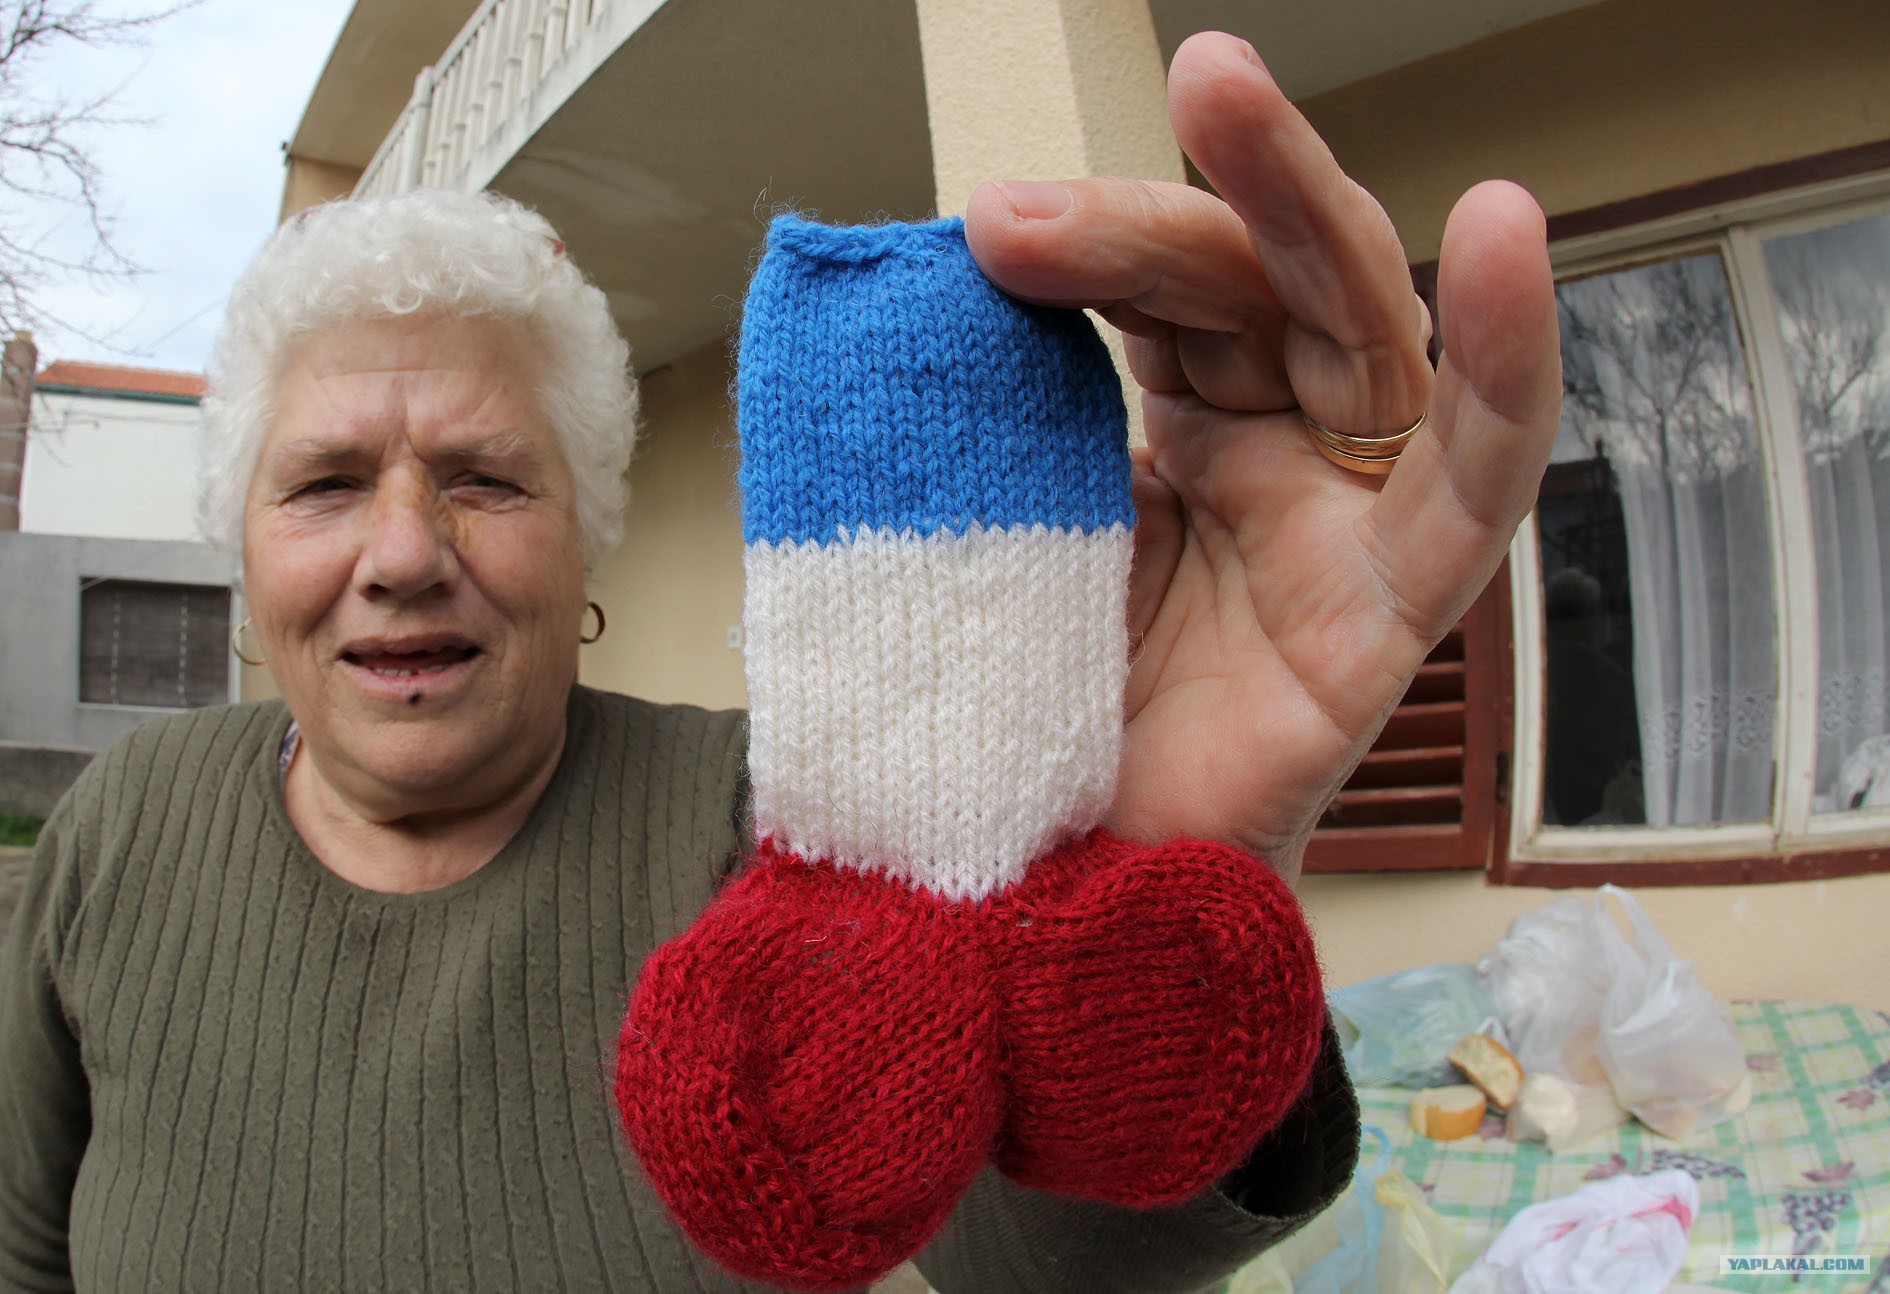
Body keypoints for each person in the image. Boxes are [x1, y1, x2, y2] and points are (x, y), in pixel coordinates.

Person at [0, 31, 1561, 1294]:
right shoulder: (123, 828)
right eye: (327, 481)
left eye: (484, 476)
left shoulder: (786, 829)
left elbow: (1043, 1262)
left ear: (586, 538)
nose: (404, 550)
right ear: (242, 537)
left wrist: (1161, 863)